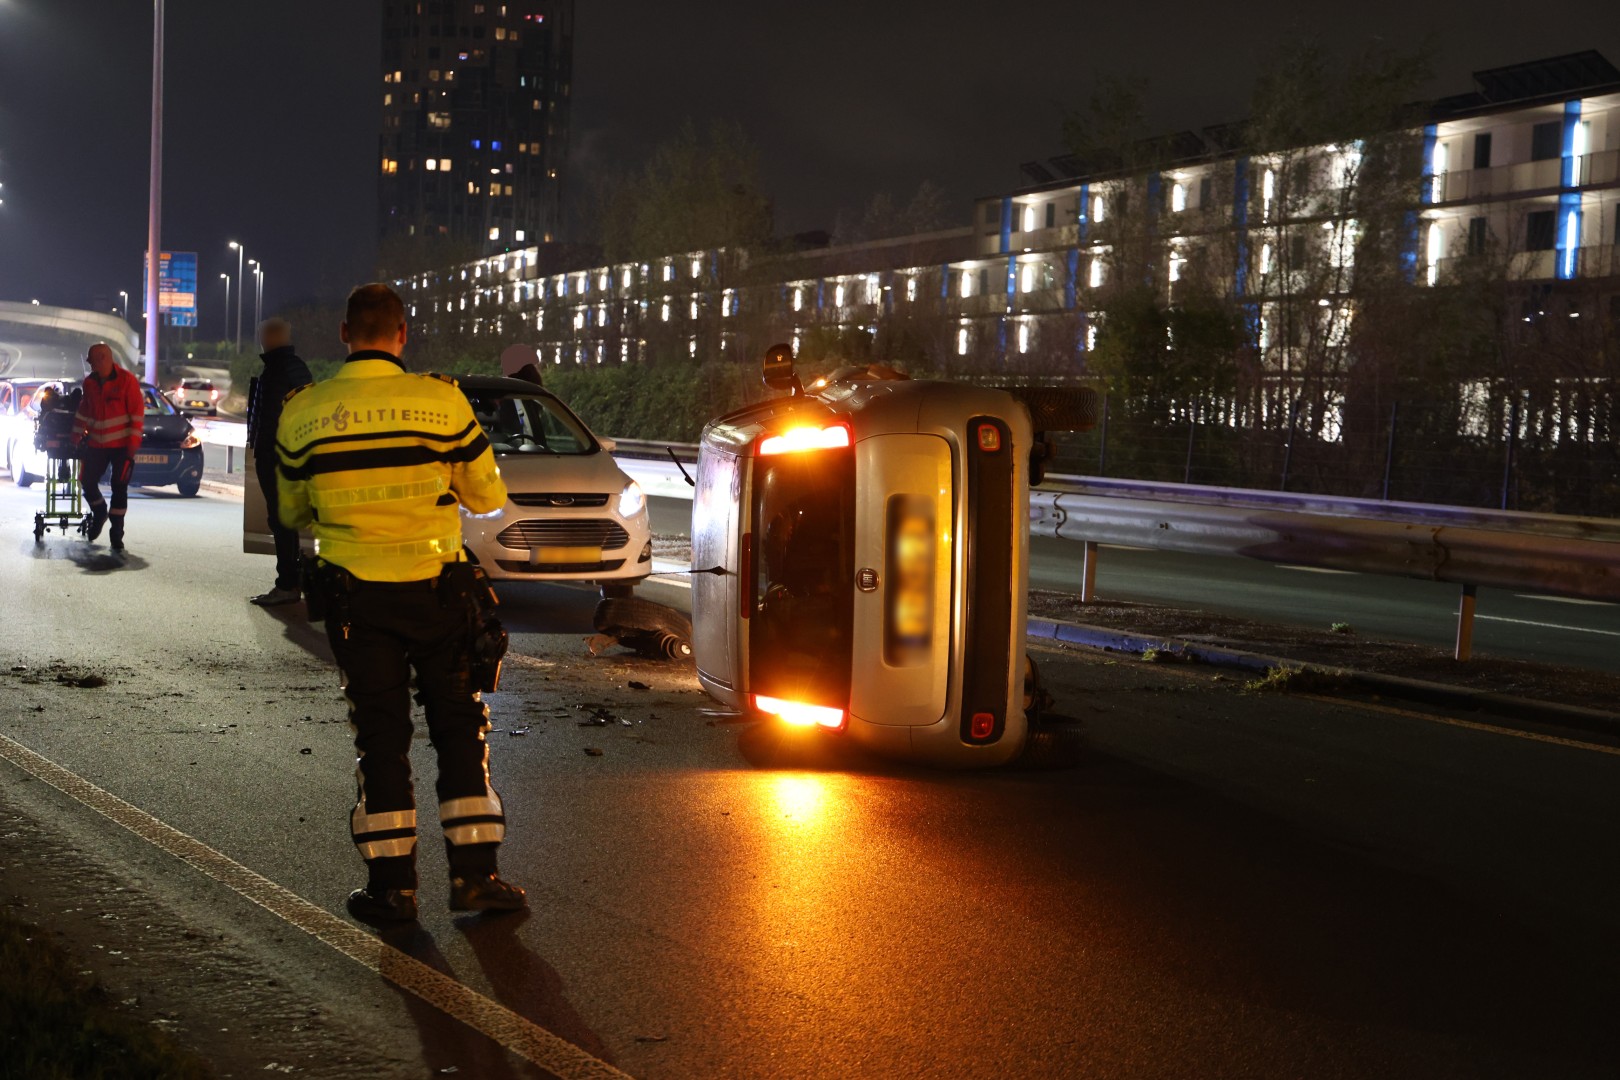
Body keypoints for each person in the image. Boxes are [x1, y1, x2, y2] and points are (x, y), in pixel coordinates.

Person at [275, 283, 525, 923]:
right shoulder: (441, 402)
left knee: (381, 740)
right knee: (460, 730)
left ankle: (393, 889)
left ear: (343, 334)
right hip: (439, 596)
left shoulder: (303, 412)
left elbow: (293, 511)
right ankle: (475, 879)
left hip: (358, 602)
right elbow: (486, 495)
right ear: (402, 334)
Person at [245, 318, 313, 605]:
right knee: (279, 519)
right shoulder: (278, 366)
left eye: (263, 335)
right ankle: (291, 579)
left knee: (282, 520)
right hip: (272, 453)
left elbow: (306, 411)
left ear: (272, 338)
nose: (261, 340)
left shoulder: (287, 367)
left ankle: (288, 583)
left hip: (280, 455)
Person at [73, 343, 144, 551]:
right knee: (86, 481)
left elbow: (136, 415)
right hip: (97, 444)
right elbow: (85, 409)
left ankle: (116, 532)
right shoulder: (90, 383)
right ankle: (100, 512)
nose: (89, 364)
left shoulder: (126, 381)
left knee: (119, 487)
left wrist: (131, 447)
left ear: (103, 358)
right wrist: (76, 433)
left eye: (91, 360)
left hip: (122, 446)